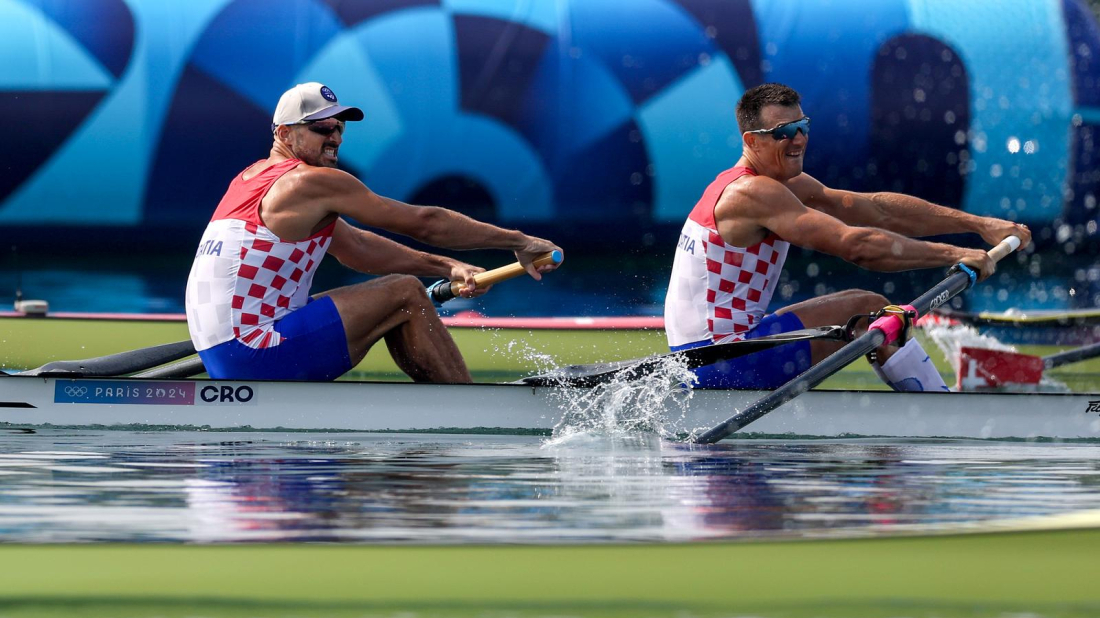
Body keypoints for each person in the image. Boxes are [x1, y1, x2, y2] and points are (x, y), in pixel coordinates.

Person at [664, 83, 1031, 391]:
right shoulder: (753, 193)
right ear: (751, 141)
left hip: (713, 356)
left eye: (802, 126)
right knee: (868, 311)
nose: (798, 140)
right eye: (783, 133)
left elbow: (877, 210)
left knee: (862, 305)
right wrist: (954, 254)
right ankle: (942, 410)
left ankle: (931, 404)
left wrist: (978, 224)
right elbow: (857, 247)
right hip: (718, 363)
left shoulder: (776, 184)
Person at [186, 82, 561, 382]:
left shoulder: (250, 179)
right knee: (405, 293)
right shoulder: (309, 183)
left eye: (340, 127)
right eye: (322, 128)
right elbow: (423, 222)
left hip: (226, 353)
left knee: (390, 293)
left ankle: (443, 403)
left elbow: (357, 247)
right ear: (285, 133)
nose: (336, 137)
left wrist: (447, 267)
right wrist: (519, 241)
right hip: (254, 352)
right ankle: (465, 406)